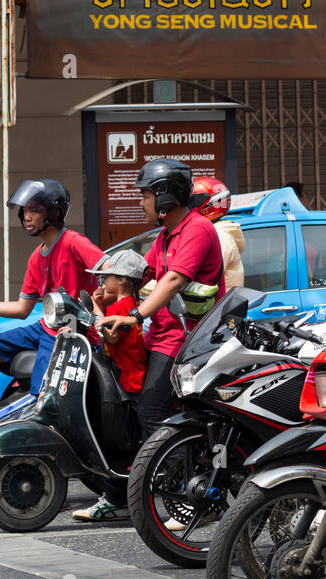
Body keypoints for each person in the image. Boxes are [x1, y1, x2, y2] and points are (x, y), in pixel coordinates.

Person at [74, 158, 224, 522]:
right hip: (160, 337)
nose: (140, 204)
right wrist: (107, 295)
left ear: (165, 196)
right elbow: (144, 275)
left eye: (144, 196)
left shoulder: (197, 229)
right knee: (123, 411)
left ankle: (196, 497)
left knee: (153, 412)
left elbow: (173, 280)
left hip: (185, 341)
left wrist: (134, 315)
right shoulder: (165, 236)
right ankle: (120, 493)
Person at [0, 179, 104, 404]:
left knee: (43, 398)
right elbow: (21, 309)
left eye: (35, 210)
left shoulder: (74, 242)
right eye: (25, 210)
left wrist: (98, 306)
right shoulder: (37, 257)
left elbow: (110, 269)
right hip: (44, 328)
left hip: (72, 332)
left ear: (55, 213)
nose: (27, 216)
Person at [89, 250, 149, 395]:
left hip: (128, 374)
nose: (103, 283)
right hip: (132, 368)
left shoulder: (121, 305)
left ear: (122, 279)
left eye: (107, 277)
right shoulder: (130, 302)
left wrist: (95, 306)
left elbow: (112, 337)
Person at [191, 175, 245, 290]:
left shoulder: (219, 237)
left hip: (217, 306)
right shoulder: (218, 232)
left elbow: (199, 278)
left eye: (192, 202)